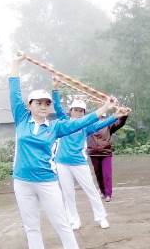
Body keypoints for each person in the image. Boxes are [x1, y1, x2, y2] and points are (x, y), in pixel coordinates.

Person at [9, 53, 116, 249]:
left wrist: (105, 108)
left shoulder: (55, 127)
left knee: (61, 222)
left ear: (50, 107)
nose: (43, 106)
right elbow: (14, 90)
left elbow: (83, 122)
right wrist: (15, 65)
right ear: (29, 105)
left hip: (46, 181)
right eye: (38, 102)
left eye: (46, 103)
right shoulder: (21, 118)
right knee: (31, 225)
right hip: (21, 181)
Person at [51, 78, 131, 230]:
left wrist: (115, 116)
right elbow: (57, 106)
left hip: (79, 163)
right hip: (61, 163)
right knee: (68, 193)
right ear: (70, 111)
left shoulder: (86, 126)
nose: (78, 113)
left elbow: (103, 123)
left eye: (81, 111)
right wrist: (55, 89)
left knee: (91, 190)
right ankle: (74, 220)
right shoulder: (64, 121)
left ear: (84, 113)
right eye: (76, 110)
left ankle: (101, 218)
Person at [86, 99, 128, 202]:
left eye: (103, 117)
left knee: (107, 174)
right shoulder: (89, 125)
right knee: (98, 175)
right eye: (99, 116)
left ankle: (108, 194)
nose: (101, 118)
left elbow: (119, 123)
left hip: (106, 153)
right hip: (93, 153)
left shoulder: (108, 125)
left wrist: (124, 116)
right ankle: (103, 192)